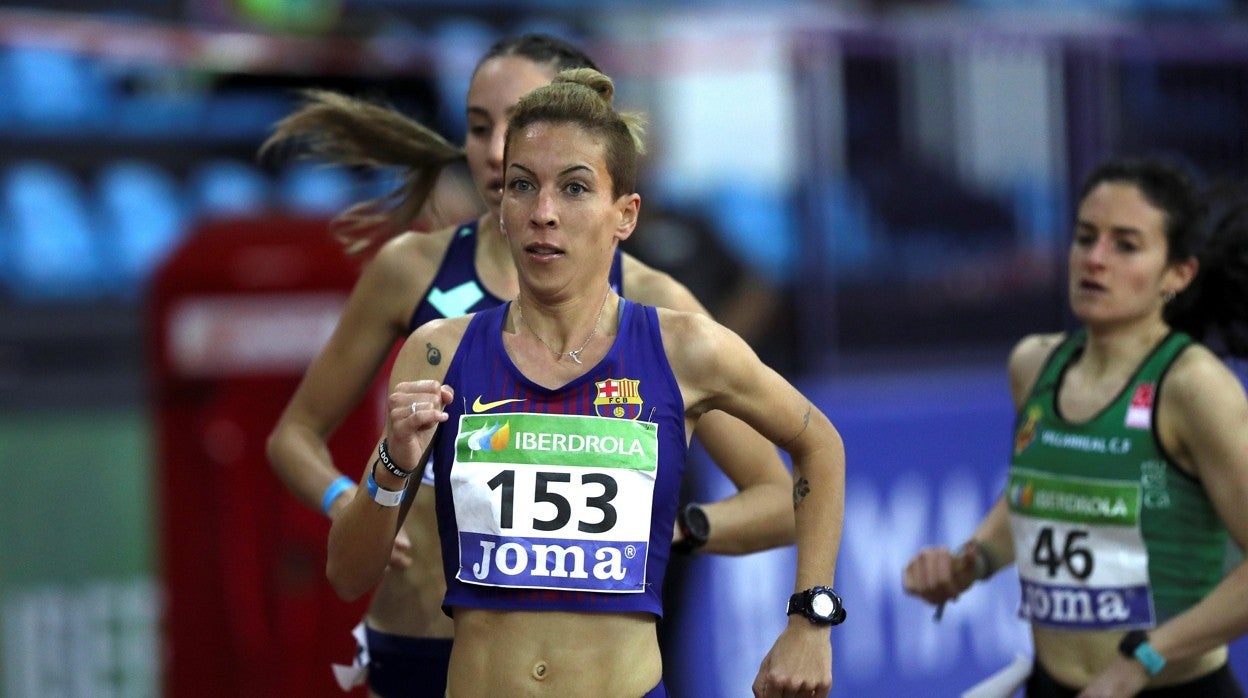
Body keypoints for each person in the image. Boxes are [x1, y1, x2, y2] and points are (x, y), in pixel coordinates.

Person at [262, 34, 795, 697]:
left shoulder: (657, 305)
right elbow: (294, 435)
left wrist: (665, 531)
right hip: (417, 645)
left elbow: (779, 501)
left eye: (514, 123)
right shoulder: (412, 269)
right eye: (477, 126)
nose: (492, 150)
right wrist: (357, 502)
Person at [902, 156, 1248, 697]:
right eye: (1085, 238)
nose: (1095, 259)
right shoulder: (1034, 365)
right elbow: (1034, 496)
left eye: (1125, 245)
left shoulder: (1193, 387)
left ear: (1178, 273)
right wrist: (968, 562)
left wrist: (1143, 661)